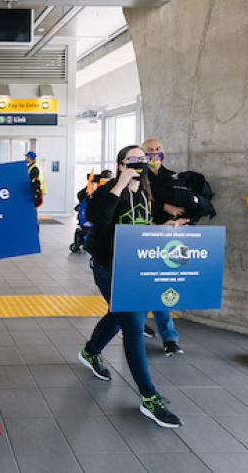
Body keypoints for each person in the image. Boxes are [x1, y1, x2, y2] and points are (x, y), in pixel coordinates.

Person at [78, 144, 184, 429]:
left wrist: (165, 229)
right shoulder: (110, 189)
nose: (140, 162)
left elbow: (142, 226)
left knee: (119, 315)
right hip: (109, 267)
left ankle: (90, 351)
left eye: (142, 159)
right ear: (122, 163)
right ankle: (149, 397)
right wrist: (120, 180)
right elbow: (99, 219)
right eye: (133, 159)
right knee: (133, 326)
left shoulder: (145, 194)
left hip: (133, 267)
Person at [141, 138, 187, 355]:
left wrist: (181, 220)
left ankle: (170, 338)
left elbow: (185, 205)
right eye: (149, 150)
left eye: (158, 149)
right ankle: (133, 324)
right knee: (138, 287)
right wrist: (163, 207)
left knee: (161, 288)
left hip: (167, 239)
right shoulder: (138, 176)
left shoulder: (172, 177)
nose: (154, 153)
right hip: (142, 238)